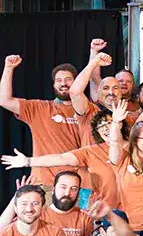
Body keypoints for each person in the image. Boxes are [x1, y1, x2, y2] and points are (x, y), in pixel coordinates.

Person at [0, 54, 88, 189]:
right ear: (53, 84)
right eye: (58, 80)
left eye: (68, 79)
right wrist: (8, 68)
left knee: (85, 210)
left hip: (80, 185)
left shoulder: (88, 109)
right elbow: (4, 100)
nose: (63, 83)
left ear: (77, 82)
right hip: (45, 184)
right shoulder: (39, 108)